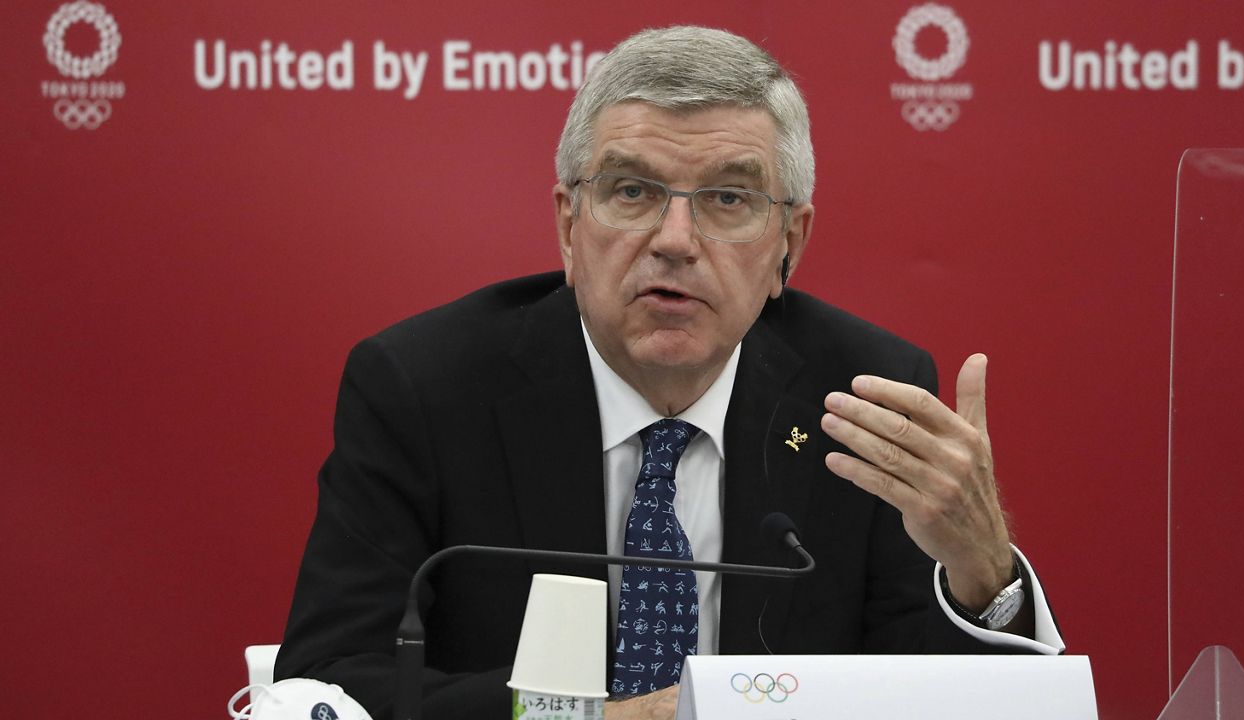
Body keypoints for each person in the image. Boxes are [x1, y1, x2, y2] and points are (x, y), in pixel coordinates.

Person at [276, 25, 1064, 720]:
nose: (675, 240)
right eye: (631, 191)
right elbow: (328, 685)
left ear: (791, 242)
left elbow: (929, 698)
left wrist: (982, 571)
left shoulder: (862, 397)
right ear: (567, 224)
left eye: (727, 198)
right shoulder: (424, 389)